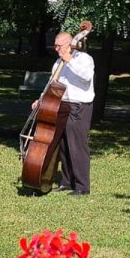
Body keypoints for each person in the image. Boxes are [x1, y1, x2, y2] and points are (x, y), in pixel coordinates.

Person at [36, 31, 94, 196]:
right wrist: (40, 99)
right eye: (55, 45)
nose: (56, 49)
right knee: (63, 145)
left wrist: (69, 61)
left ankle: (82, 186)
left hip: (79, 105)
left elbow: (87, 77)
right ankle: (67, 182)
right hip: (60, 105)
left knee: (77, 145)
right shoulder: (57, 63)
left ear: (70, 44)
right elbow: (51, 84)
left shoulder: (84, 59)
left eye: (59, 45)